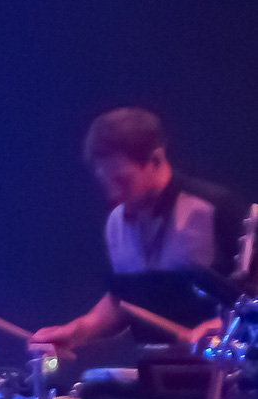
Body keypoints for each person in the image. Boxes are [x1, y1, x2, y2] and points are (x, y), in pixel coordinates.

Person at [31, 107, 251, 352]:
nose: (113, 195)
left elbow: (254, 301)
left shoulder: (214, 208)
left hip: (222, 366)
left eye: (122, 181)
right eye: (105, 183)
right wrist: (77, 331)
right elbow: (123, 301)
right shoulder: (116, 222)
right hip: (156, 366)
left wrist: (222, 326)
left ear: (156, 159)